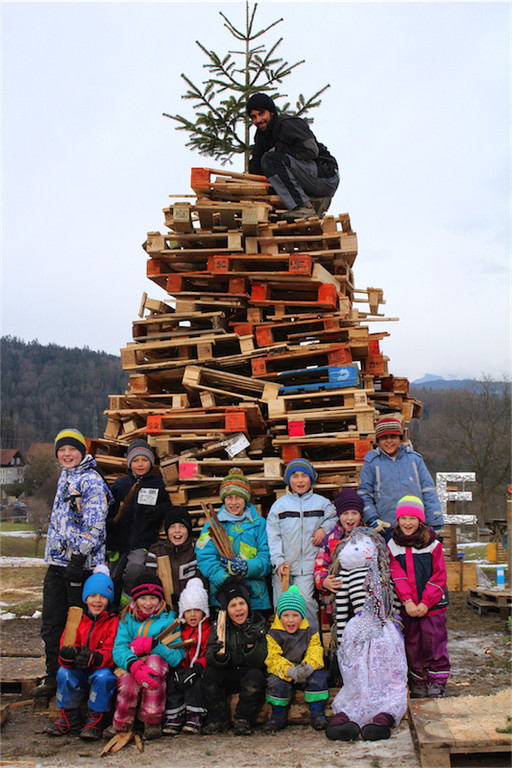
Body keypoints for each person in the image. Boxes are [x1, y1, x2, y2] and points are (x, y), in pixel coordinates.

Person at [32, 428, 113, 698]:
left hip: (82, 565)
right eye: (62, 450)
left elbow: (95, 523)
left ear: (82, 452)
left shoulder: (91, 480)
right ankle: (53, 675)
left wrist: (78, 557)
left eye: (72, 449)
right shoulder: (65, 476)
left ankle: (80, 677)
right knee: (52, 621)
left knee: (78, 622)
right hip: (57, 562)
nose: (67, 454)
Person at [326, 527, 407, 742]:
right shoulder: (345, 576)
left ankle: (381, 719)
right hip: (358, 628)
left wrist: (397, 627)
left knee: (387, 676)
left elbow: (394, 602)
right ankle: (343, 720)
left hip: (383, 627)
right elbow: (341, 610)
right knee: (357, 675)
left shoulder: (383, 574)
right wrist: (342, 645)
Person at [105, 573, 185, 740]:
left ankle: (152, 720)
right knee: (127, 682)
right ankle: (122, 723)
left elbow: (177, 656)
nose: (148, 603)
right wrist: (133, 664)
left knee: (154, 664)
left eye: (153, 598)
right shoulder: (127, 619)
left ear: (160, 600)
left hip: (158, 669)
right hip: (133, 664)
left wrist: (155, 646)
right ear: (135, 600)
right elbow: (119, 648)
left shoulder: (169, 620)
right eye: (143, 598)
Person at [44, 565, 118, 740]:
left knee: (104, 678)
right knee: (64, 672)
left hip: (100, 669)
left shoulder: (113, 622)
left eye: (103, 597)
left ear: (109, 600)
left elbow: (113, 651)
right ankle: (70, 715)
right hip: (80, 670)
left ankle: (96, 719)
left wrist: (97, 658)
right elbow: (66, 645)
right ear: (86, 598)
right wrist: (69, 656)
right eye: (93, 596)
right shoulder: (77, 620)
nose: (97, 601)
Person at [387, 495, 450, 698]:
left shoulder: (433, 544)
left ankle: (437, 680)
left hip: (432, 606)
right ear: (398, 520)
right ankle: (418, 680)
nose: (407, 523)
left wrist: (426, 602)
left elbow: (439, 576)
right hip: (409, 607)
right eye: (403, 518)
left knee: (434, 642)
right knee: (412, 645)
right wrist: (407, 601)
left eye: (412, 518)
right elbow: (397, 575)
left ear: (420, 520)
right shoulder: (393, 545)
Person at [266, 459, 337, 631]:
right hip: (284, 567)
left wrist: (323, 529)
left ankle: (311, 641)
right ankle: (283, 644)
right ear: (288, 480)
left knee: (306, 603)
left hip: (308, 567)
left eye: (304, 476)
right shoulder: (279, 506)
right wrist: (278, 561)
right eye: (295, 476)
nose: (300, 480)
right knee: (282, 606)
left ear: (311, 479)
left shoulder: (321, 503)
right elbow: (273, 536)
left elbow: (334, 518)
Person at [246, 92, 339, 221]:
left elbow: (311, 151)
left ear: (271, 112)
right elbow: (256, 167)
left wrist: (278, 150)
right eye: (253, 117)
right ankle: (314, 202)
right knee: (268, 167)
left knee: (271, 160)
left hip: (325, 175)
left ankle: (302, 207)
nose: (258, 120)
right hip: (308, 176)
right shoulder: (261, 136)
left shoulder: (286, 124)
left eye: (261, 114)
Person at [196, 468, 272, 616]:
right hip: (223, 596)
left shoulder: (259, 524)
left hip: (256, 597)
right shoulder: (212, 526)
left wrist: (246, 567)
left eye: (238, 497)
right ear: (223, 499)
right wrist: (226, 581)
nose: (233, 502)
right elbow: (205, 557)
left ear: (246, 499)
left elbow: (267, 557)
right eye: (229, 497)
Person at [107, 439, 171, 608]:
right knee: (115, 575)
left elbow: (167, 505)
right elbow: (110, 509)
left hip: (143, 539)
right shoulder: (120, 485)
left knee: (135, 570)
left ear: (151, 462)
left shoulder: (157, 484)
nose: (140, 464)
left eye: (144, 460)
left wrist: (159, 511)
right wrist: (110, 522)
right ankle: (112, 609)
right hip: (118, 541)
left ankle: (128, 604)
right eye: (135, 460)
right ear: (129, 463)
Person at [357, 416, 444, 538]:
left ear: (400, 438)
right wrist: (372, 519)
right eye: (384, 438)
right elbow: (364, 493)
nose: (389, 441)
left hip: (416, 525)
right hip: (387, 527)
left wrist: (435, 521)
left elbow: (429, 491)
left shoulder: (414, 459)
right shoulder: (372, 462)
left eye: (393, 437)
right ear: (378, 440)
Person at [202, 578, 267, 736]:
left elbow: (262, 659)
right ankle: (219, 719)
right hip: (228, 671)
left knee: (256, 676)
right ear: (226, 610)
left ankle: (243, 720)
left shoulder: (257, 623)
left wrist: (251, 645)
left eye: (242, 603)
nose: (239, 609)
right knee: (209, 674)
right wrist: (219, 656)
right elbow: (209, 657)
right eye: (233, 605)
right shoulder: (219, 626)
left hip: (247, 672)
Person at [264, 585, 329, 732]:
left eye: (295, 615)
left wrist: (309, 666)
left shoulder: (310, 632)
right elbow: (273, 658)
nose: (290, 620)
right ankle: (278, 715)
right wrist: (290, 671)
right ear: (279, 617)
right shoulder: (274, 635)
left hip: (304, 668)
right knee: (275, 682)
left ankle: (317, 713)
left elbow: (315, 650)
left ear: (302, 616)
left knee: (319, 678)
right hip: (285, 671)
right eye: (286, 615)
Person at [163, 577, 211, 736]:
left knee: (195, 684)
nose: (193, 615)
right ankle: (174, 716)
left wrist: (198, 667)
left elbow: (208, 651)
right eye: (189, 611)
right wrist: (177, 667)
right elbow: (173, 649)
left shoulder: (207, 631)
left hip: (198, 670)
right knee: (173, 682)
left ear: (204, 612)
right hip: (181, 668)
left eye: (197, 610)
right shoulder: (179, 631)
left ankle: (195, 715)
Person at [314, 487, 364, 626]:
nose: (350, 518)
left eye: (354, 513)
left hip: (362, 599)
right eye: (345, 513)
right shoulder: (330, 539)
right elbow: (320, 565)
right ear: (339, 515)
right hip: (336, 599)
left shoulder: (367, 537)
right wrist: (323, 582)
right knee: (340, 631)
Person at [145, 506, 204, 612]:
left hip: (191, 609)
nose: (177, 531)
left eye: (182, 526)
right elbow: (150, 585)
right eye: (172, 527)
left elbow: (202, 585)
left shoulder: (197, 551)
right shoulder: (157, 551)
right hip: (163, 609)